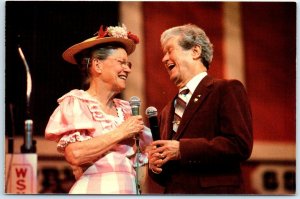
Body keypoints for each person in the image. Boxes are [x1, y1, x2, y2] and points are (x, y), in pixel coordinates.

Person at [45, 24, 152, 194]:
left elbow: (140, 163)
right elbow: (75, 154)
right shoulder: (78, 103)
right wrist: (121, 132)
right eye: (121, 62)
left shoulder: (126, 110)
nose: (127, 69)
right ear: (97, 65)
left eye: (128, 64)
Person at [148, 24, 253, 194]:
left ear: (195, 51)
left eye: (169, 50)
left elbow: (239, 145)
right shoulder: (167, 111)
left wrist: (182, 149)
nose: (164, 59)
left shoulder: (225, 89)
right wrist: (155, 166)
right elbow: (165, 175)